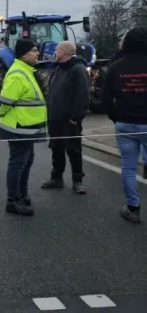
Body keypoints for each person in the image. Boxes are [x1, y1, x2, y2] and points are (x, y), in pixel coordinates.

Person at [0, 39, 48, 216]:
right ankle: (13, 200)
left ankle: (22, 194)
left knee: (26, 161)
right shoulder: (17, 73)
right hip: (19, 127)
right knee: (18, 163)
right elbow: (7, 99)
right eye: (34, 51)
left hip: (27, 127)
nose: (37, 54)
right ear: (24, 54)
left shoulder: (26, 71)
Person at [101, 27, 147, 223]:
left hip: (125, 123)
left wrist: (115, 117)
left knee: (128, 168)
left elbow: (105, 98)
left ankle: (133, 208)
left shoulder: (116, 66)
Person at [41, 41, 90, 194]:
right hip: (55, 118)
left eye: (57, 49)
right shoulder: (57, 69)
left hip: (70, 119)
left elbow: (82, 97)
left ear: (64, 52)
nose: (55, 52)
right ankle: (56, 178)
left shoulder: (78, 70)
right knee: (56, 148)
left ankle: (77, 181)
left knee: (73, 149)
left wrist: (74, 118)